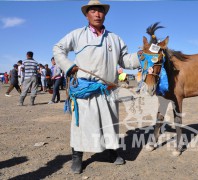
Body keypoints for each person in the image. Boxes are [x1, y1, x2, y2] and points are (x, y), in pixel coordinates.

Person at [53, 0, 140, 174]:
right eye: (93, 11)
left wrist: (141, 55)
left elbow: (126, 60)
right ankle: (77, 157)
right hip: (85, 89)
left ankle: (111, 152)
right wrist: (69, 65)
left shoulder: (114, 38)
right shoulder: (77, 35)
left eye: (100, 11)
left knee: (109, 123)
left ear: (105, 14)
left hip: (107, 90)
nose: (97, 14)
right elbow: (58, 48)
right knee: (82, 124)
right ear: (87, 15)